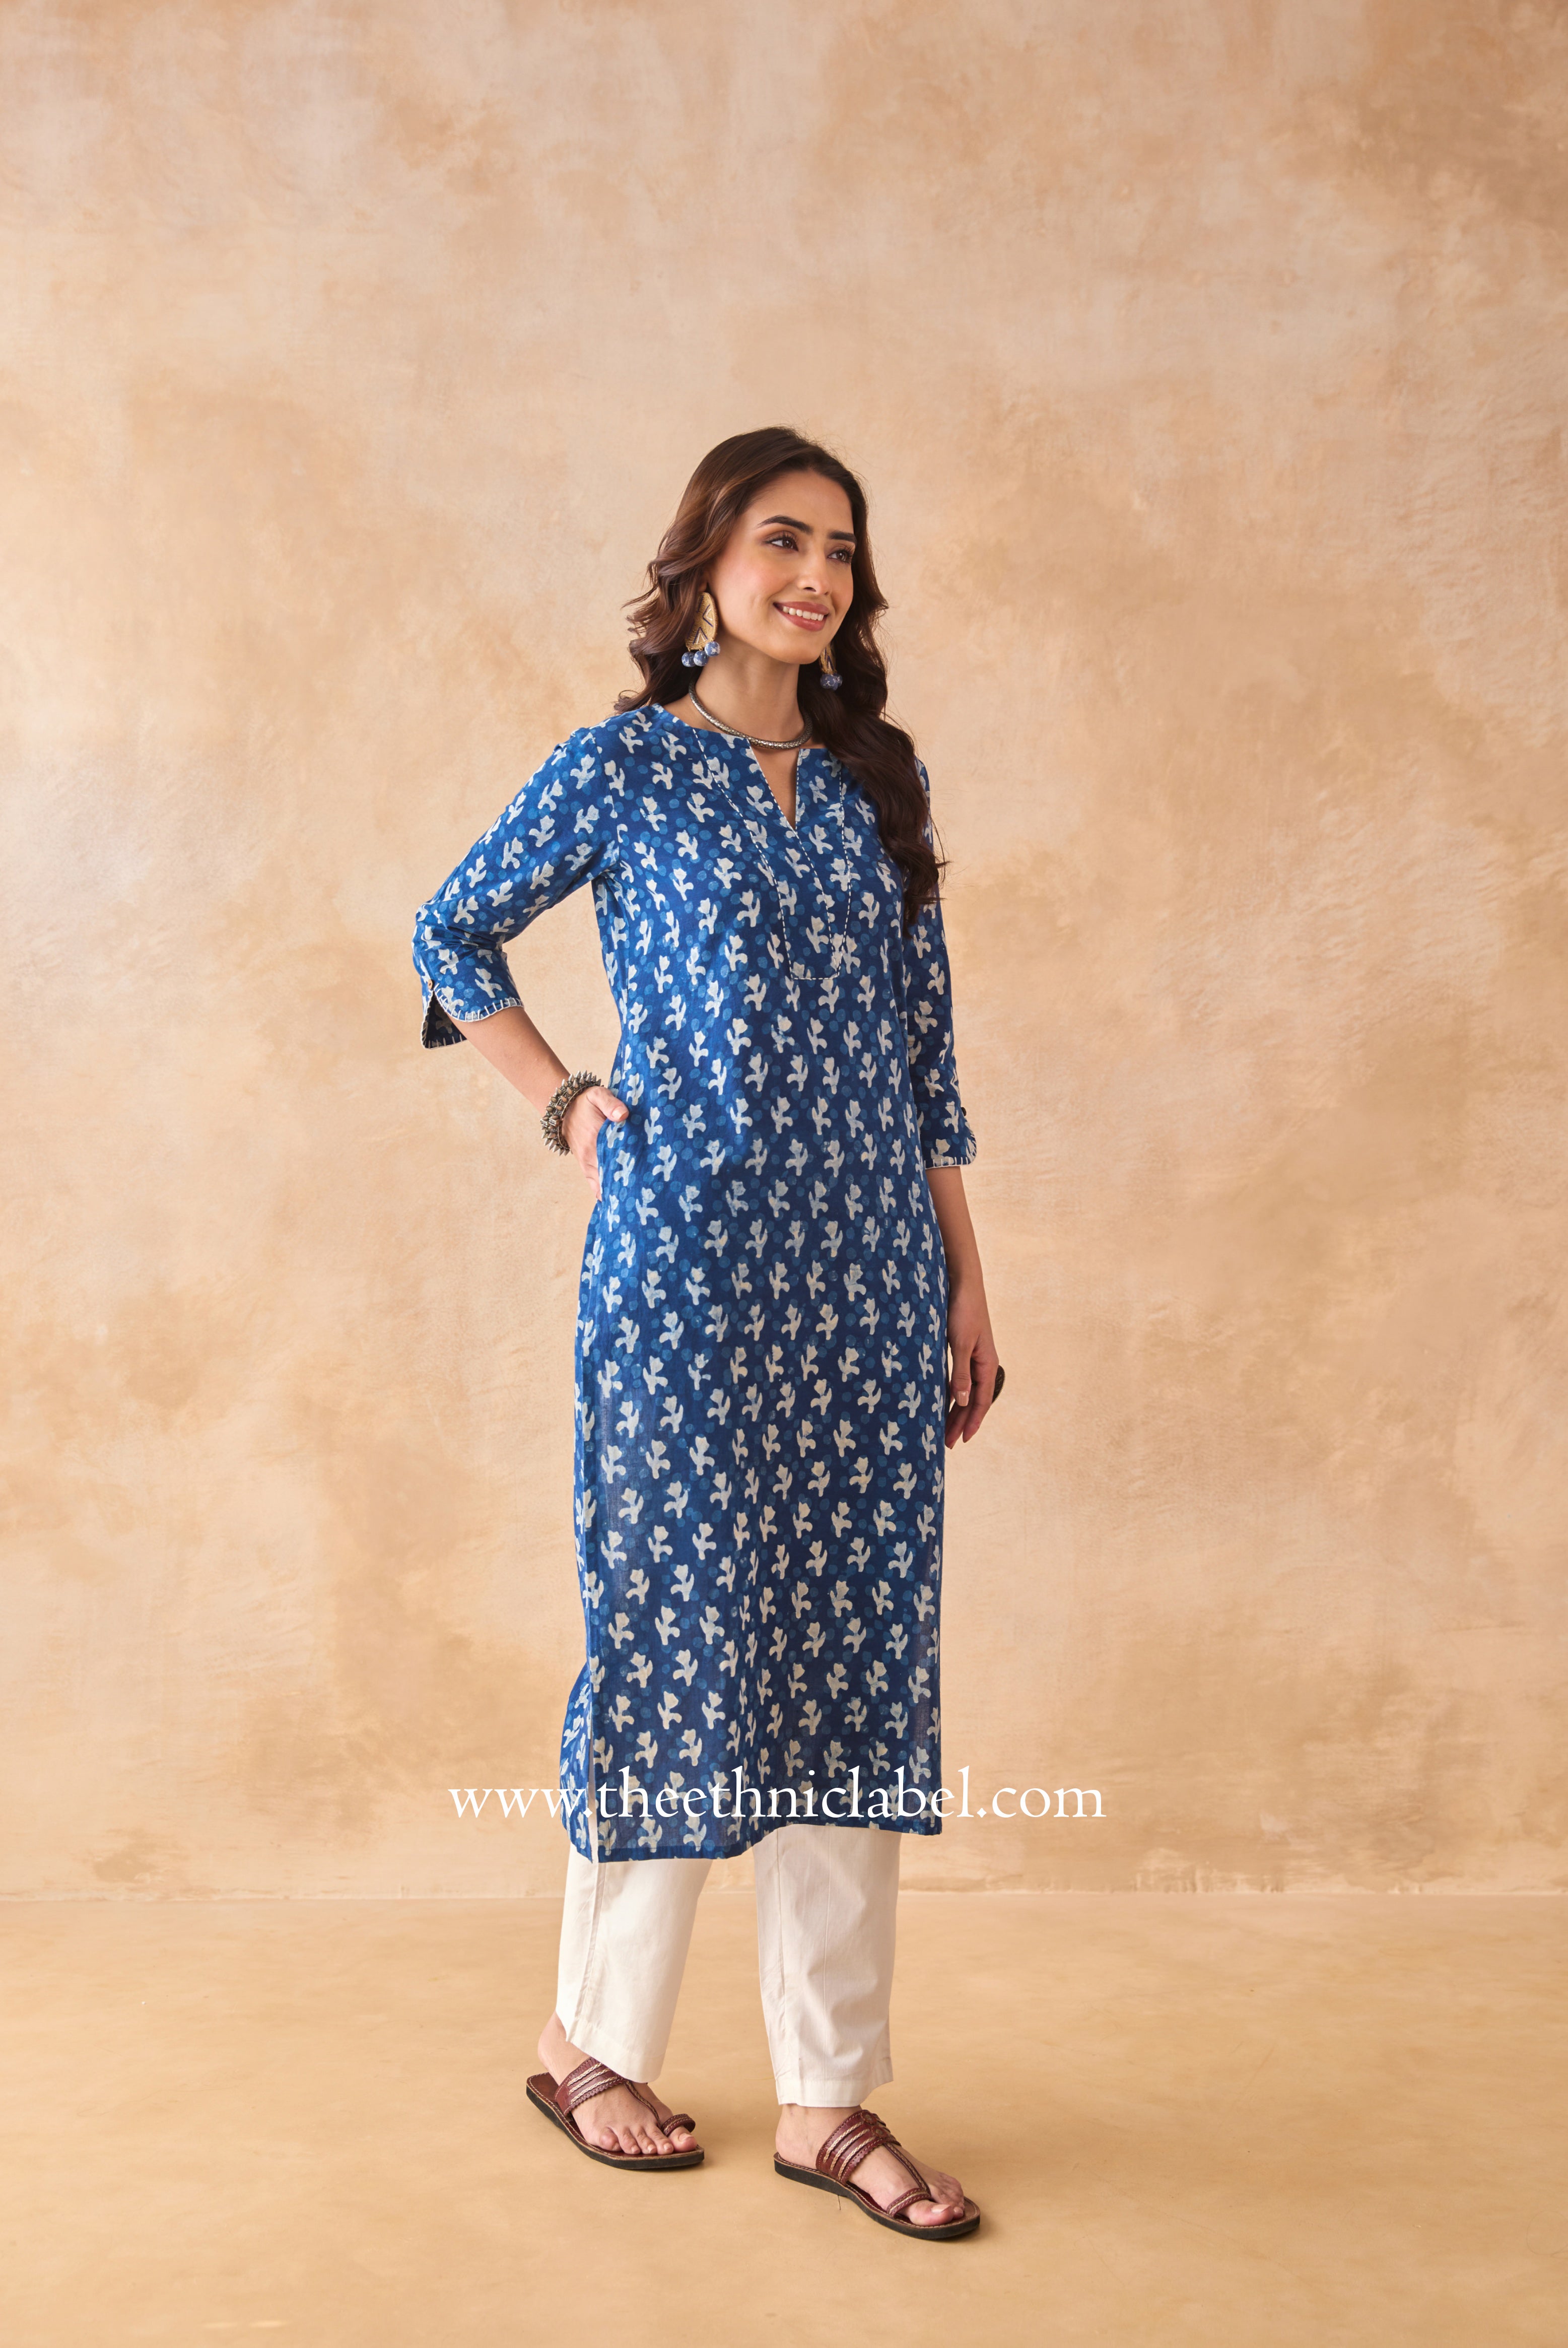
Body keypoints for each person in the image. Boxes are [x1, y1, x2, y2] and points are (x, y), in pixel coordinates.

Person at [412, 427, 999, 2240]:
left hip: (868, 1275)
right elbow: (452, 934)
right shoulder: (622, 768)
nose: (814, 576)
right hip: (686, 1268)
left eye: (841, 549)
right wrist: (563, 1101)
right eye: (780, 540)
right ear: (708, 566)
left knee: (854, 1645)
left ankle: (830, 2097)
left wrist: (965, 1278)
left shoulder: (878, 780)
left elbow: (923, 1058)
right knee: (675, 1626)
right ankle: (590, 2044)